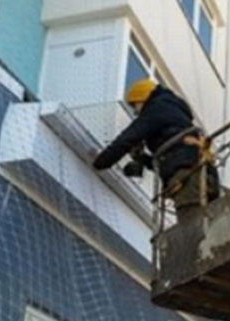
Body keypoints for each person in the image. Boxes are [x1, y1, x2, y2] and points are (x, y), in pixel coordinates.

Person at [93, 78, 220, 223]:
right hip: (204, 174)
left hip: (188, 178)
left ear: (142, 98)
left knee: (192, 226)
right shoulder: (175, 114)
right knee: (209, 223)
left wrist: (101, 161)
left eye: (135, 105)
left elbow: (127, 139)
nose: (135, 112)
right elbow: (172, 159)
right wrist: (143, 158)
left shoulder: (156, 108)